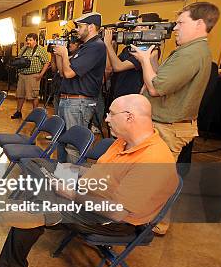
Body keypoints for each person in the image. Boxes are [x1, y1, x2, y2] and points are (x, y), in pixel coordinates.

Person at [0, 94, 178, 267]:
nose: (106, 119)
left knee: (33, 204)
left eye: (111, 114)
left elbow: (117, 213)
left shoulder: (154, 160)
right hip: (89, 191)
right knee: (34, 164)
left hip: (110, 219)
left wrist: (71, 194)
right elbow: (101, 172)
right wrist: (70, 169)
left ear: (129, 118)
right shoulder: (124, 141)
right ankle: (38, 210)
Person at [130, 2, 219, 159]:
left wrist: (144, 61)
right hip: (166, 126)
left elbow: (155, 88)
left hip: (167, 129)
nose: (175, 28)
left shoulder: (190, 54)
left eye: (181, 23)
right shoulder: (189, 50)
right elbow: (163, 78)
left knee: (153, 179)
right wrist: (150, 59)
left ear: (199, 24)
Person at [52, 13, 107, 163]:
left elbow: (69, 73)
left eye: (80, 26)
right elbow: (63, 72)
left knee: (74, 145)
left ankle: (74, 182)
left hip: (79, 103)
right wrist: (59, 54)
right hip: (69, 101)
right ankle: (62, 177)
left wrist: (64, 54)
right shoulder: (85, 47)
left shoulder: (96, 47)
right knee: (61, 141)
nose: (77, 29)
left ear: (91, 27)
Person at [104, 13, 162, 100]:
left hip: (131, 95)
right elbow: (112, 66)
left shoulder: (148, 49)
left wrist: (108, 44)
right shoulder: (131, 47)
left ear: (147, 28)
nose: (133, 28)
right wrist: (113, 44)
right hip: (118, 92)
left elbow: (118, 67)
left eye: (137, 25)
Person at [11, 33, 50, 119]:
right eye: (27, 40)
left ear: (35, 40)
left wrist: (41, 74)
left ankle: (35, 114)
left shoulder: (41, 50)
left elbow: (47, 62)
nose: (28, 42)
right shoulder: (24, 49)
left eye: (30, 40)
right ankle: (18, 112)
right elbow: (18, 59)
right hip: (22, 75)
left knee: (34, 95)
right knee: (20, 95)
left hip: (33, 76)